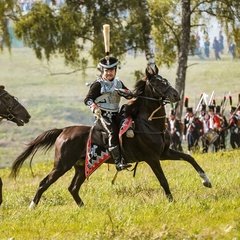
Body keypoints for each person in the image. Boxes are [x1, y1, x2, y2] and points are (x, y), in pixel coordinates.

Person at [84, 56, 133, 171]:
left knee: (129, 122)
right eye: (106, 70)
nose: (109, 73)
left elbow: (130, 94)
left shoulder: (118, 83)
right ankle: (118, 162)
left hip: (116, 114)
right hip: (103, 116)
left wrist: (126, 93)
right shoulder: (98, 84)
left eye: (111, 70)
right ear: (102, 71)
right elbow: (88, 99)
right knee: (113, 131)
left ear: (115, 71)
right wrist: (94, 107)